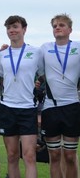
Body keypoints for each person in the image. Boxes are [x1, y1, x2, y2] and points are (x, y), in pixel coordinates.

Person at [0, 15, 44, 178]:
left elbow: (43, 74)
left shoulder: (36, 52)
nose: (12, 30)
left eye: (15, 27)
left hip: (27, 109)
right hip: (7, 108)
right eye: (9, 28)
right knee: (11, 156)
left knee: (29, 156)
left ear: (24, 29)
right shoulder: (2, 54)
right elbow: (3, 78)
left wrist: (37, 84)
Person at [40, 14, 80, 178]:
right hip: (51, 107)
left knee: (70, 156)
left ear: (70, 30)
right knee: (54, 155)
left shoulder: (78, 47)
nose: (57, 27)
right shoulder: (44, 48)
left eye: (61, 25)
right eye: (55, 25)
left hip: (72, 106)